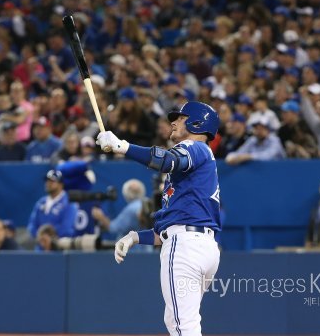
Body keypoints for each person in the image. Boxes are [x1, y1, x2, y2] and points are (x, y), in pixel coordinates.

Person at [96, 101, 220, 336]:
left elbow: (167, 161)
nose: (173, 122)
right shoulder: (198, 167)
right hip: (200, 245)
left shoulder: (196, 147)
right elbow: (173, 227)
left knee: (183, 326)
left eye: (181, 118)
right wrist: (135, 237)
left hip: (186, 248)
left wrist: (122, 146)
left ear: (197, 123)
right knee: (180, 323)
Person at [27, 169, 77, 239]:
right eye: (47, 181)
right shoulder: (41, 202)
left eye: (52, 181)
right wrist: (40, 237)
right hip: (41, 246)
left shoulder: (69, 203)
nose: (48, 183)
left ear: (61, 184)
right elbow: (32, 225)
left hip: (60, 246)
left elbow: (66, 228)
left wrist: (48, 237)